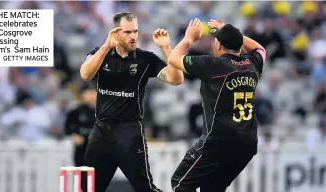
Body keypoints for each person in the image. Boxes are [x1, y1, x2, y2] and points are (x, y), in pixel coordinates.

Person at [79, 12, 184, 192]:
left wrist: (167, 48)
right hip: (101, 131)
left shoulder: (145, 59)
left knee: (145, 189)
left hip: (129, 133)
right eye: (127, 32)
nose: (133, 36)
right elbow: (85, 74)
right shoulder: (100, 53)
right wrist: (106, 46)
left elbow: (176, 79)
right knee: (87, 188)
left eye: (135, 31)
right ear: (116, 32)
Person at [167, 18, 266, 192]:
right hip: (247, 143)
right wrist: (232, 34)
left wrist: (188, 38)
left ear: (219, 46)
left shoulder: (214, 64)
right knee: (212, 188)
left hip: (219, 141)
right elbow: (260, 49)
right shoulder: (253, 63)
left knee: (180, 183)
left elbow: (174, 59)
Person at [64, 83, 98, 192]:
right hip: (81, 152)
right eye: (88, 92)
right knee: (81, 182)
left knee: (97, 182)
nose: (91, 95)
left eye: (93, 92)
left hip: (99, 152)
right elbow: (67, 128)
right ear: (83, 94)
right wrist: (74, 135)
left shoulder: (104, 111)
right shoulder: (76, 111)